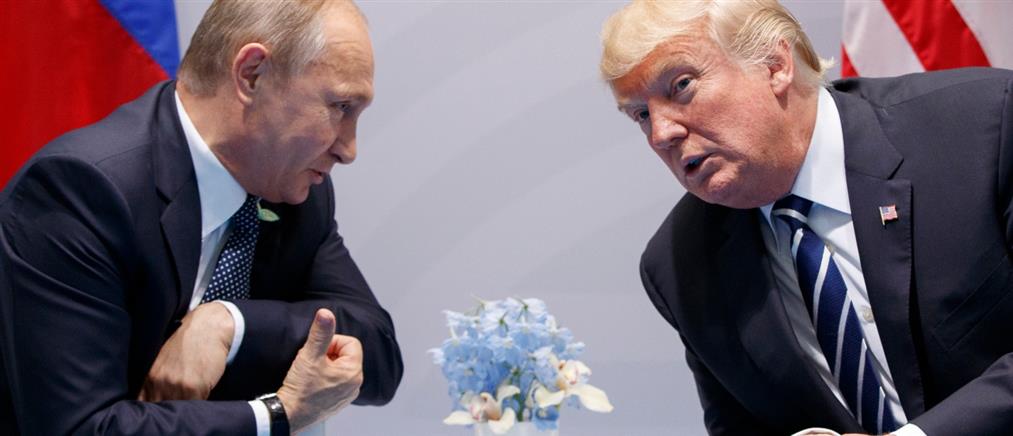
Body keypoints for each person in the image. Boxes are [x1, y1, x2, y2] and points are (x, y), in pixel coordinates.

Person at [599, 1, 1012, 435]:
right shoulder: (680, 264)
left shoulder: (983, 128)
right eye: (641, 114)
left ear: (775, 65)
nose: (662, 133)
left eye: (681, 85)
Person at [0, 0, 403, 434]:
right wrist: (277, 414)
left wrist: (231, 324)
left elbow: (379, 355)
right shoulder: (81, 191)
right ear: (252, 74)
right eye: (341, 106)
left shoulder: (294, 191)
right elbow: (81, 428)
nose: (348, 149)